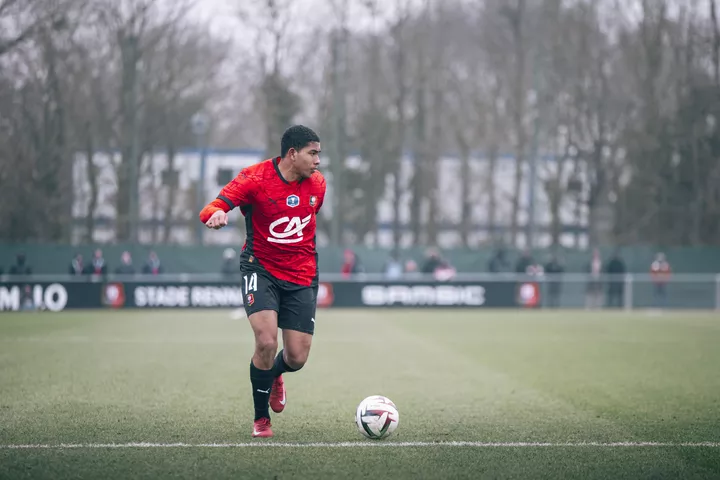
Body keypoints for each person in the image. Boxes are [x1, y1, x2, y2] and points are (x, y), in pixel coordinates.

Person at [199, 125, 326, 439]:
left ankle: (274, 375)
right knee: (267, 341)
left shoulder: (318, 185)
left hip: (302, 275)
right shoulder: (254, 179)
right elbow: (211, 207)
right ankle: (261, 420)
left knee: (296, 357)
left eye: (319, 154)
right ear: (292, 154)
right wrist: (216, 215)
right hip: (261, 270)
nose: (318, 161)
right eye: (313, 153)